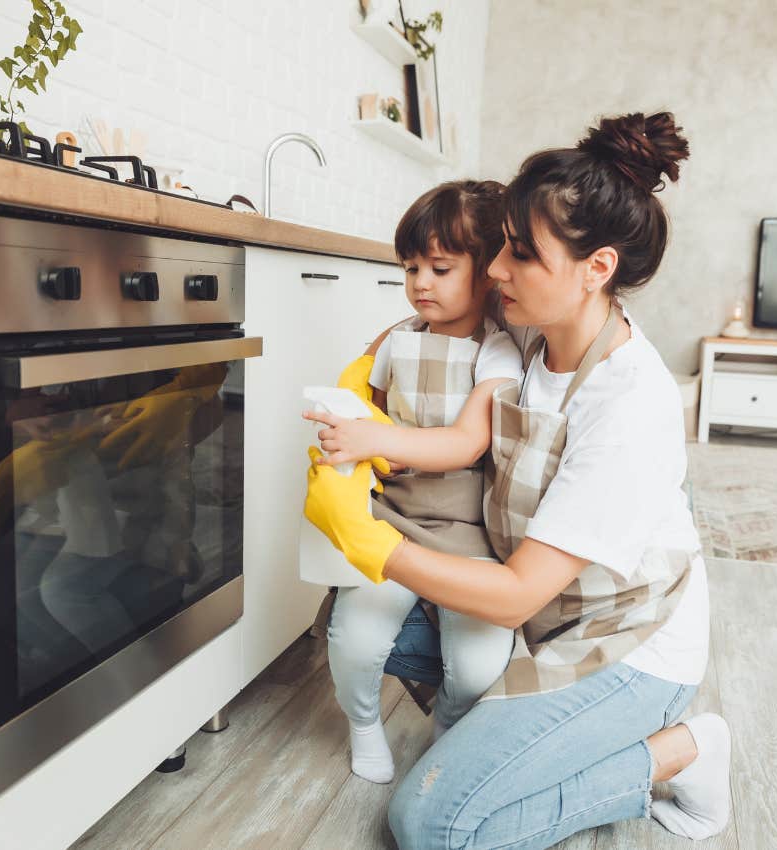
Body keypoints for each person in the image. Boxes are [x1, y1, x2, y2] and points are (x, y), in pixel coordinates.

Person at [304, 112, 732, 847]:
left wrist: (366, 539)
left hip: (624, 641)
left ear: (596, 268)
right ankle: (515, 740)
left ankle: (683, 753)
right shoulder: (528, 328)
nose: (495, 269)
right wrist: (356, 394)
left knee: (430, 824)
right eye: (502, 243)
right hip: (540, 612)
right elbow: (411, 333)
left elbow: (513, 596)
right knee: (346, 626)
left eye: (521, 254)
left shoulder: (630, 403)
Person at [303, 181, 523, 785]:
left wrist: (377, 439)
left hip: (468, 527)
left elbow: (466, 443)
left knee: (480, 663)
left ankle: (450, 729)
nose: (421, 281)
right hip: (392, 516)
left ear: (488, 272)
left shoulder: (497, 349)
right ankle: (364, 723)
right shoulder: (398, 338)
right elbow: (359, 396)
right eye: (411, 267)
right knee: (354, 636)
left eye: (441, 267)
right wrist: (349, 428)